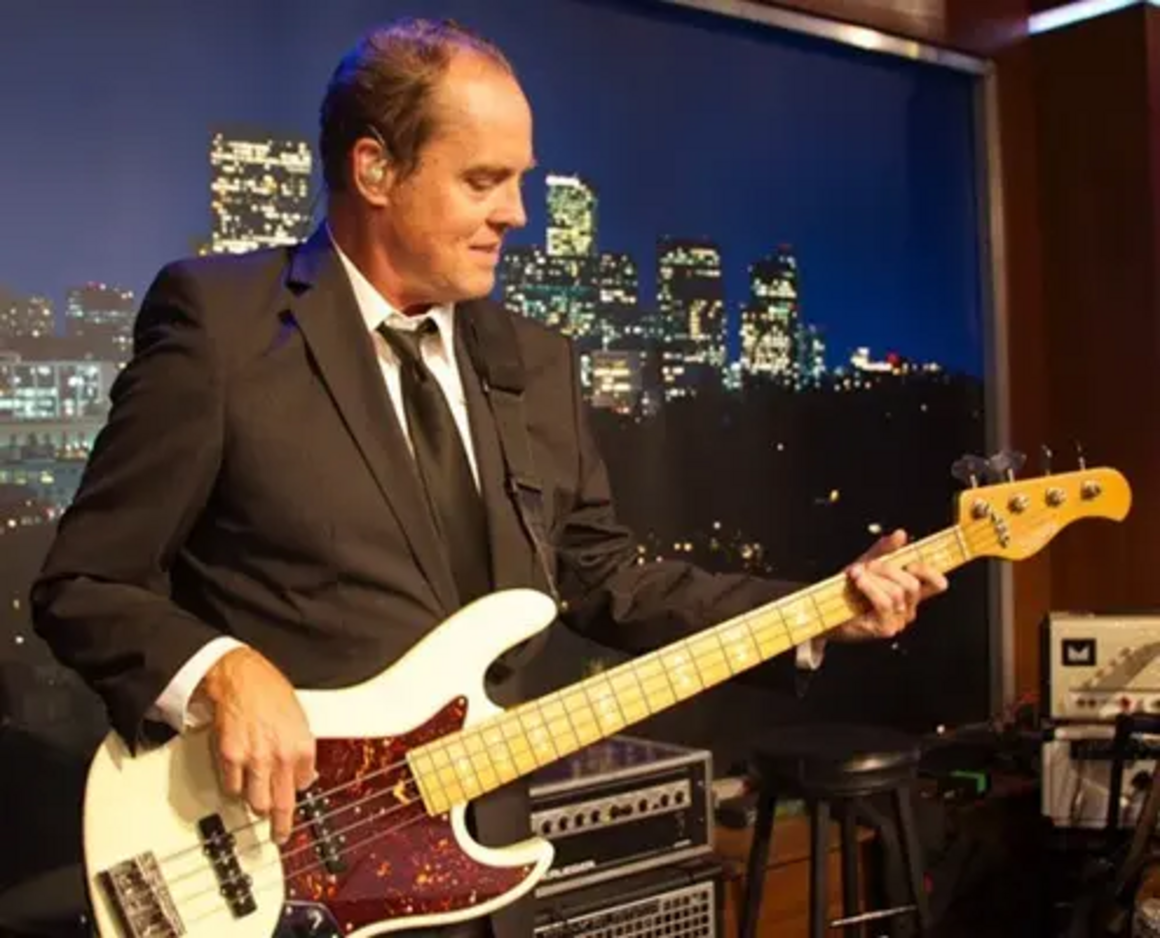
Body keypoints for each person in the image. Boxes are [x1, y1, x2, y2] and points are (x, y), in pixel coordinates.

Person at [29, 17, 948, 938]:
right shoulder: (224, 326)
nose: (516, 213)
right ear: (374, 170)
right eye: (483, 180)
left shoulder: (534, 362)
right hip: (273, 876)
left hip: (480, 876)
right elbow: (86, 584)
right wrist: (221, 672)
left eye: (520, 180)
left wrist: (821, 609)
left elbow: (606, 580)